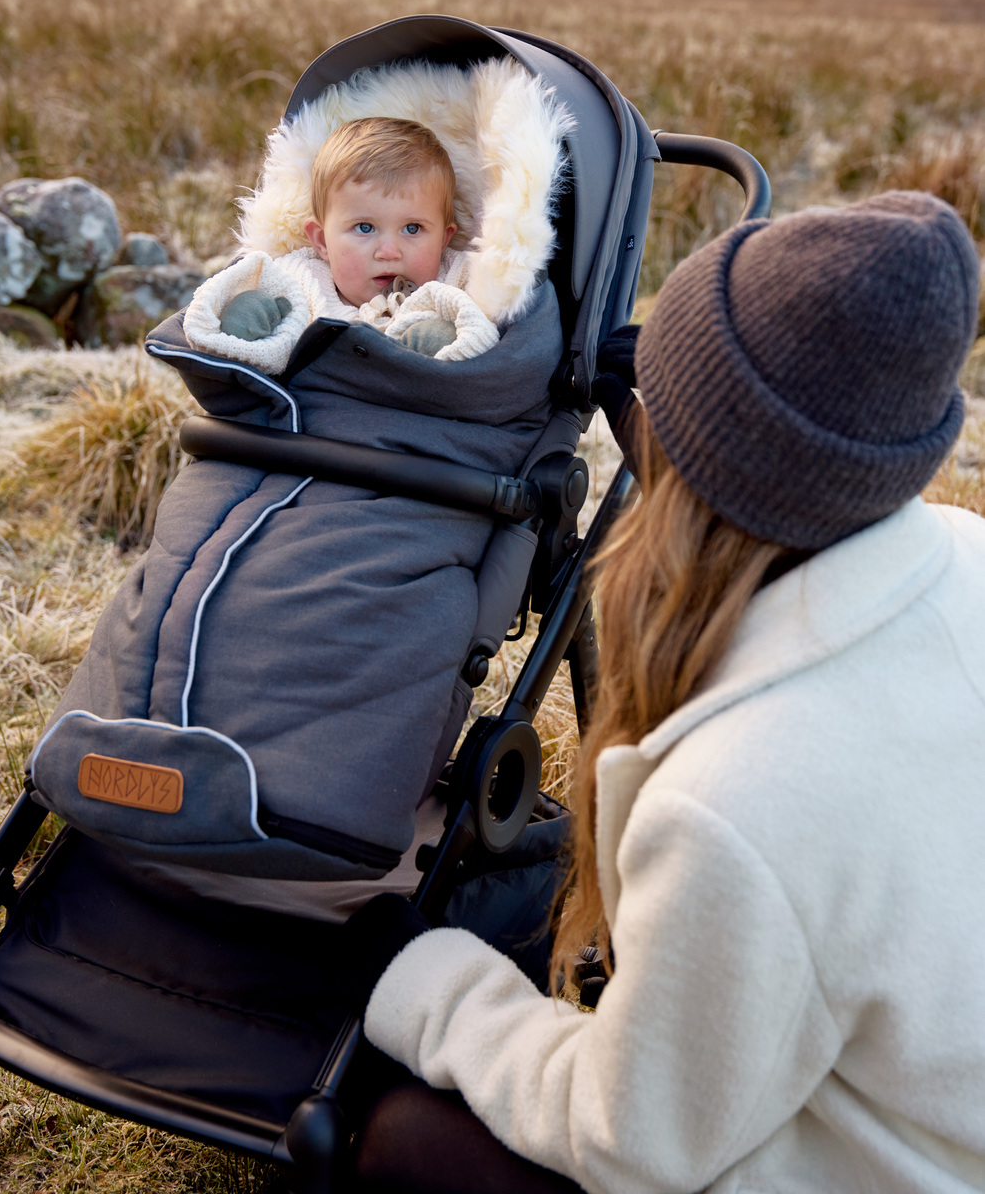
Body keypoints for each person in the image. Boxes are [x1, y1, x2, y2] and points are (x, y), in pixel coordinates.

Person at [337, 189, 985, 1194]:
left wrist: (427, 986)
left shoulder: (738, 802)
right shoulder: (964, 555)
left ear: (686, 459)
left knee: (403, 1142)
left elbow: (629, 1140)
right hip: (938, 1095)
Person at [186, 116, 498, 367]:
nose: (388, 252)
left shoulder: (458, 280)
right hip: (318, 426)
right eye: (364, 227)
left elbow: (493, 342)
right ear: (322, 241)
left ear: (445, 239)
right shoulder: (303, 281)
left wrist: (449, 343)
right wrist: (251, 316)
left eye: (413, 229)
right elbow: (259, 344)